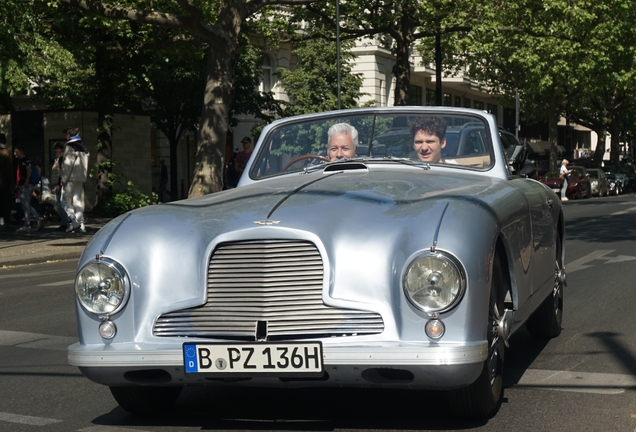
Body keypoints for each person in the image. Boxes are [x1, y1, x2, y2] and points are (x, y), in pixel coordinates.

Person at [60, 127, 89, 233]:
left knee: (64, 200)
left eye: (65, 135)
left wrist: (63, 178)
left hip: (70, 178)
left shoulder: (70, 147)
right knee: (77, 201)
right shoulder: (83, 148)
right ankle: (81, 225)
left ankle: (73, 221)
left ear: (68, 135)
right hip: (80, 178)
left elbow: (68, 164)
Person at [13, 145, 43, 232]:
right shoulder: (30, 160)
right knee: (27, 204)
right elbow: (38, 169)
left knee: (25, 206)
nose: (15, 154)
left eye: (16, 152)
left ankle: (27, 225)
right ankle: (38, 219)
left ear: (21, 152)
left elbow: (28, 169)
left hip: (25, 185)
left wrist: (26, 180)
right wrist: (37, 180)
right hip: (31, 185)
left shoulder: (23, 160)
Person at [50, 141, 69, 231]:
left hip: (59, 185)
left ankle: (65, 222)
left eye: (57, 149)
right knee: (58, 204)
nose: (56, 150)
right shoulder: (57, 159)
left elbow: (61, 173)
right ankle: (65, 221)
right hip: (56, 184)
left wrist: (58, 185)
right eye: (55, 149)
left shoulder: (61, 159)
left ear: (61, 149)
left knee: (60, 204)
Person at [0, 134, 14, 229]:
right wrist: (11, 183)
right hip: (3, 183)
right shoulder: (6, 153)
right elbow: (8, 170)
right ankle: (6, 221)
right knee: (6, 202)